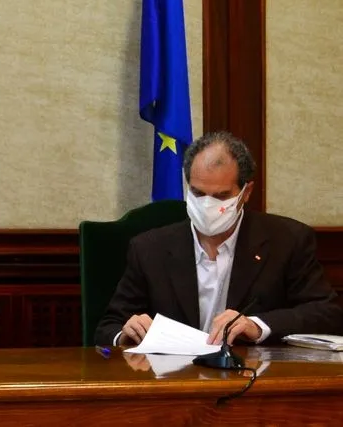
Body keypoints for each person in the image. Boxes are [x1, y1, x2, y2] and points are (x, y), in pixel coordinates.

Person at [95, 131, 343, 347]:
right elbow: (108, 327)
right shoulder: (149, 248)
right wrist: (126, 333)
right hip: (171, 382)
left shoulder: (287, 241)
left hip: (252, 380)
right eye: (198, 193)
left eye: (221, 196)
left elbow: (328, 313)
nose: (207, 205)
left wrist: (257, 326)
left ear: (247, 192)